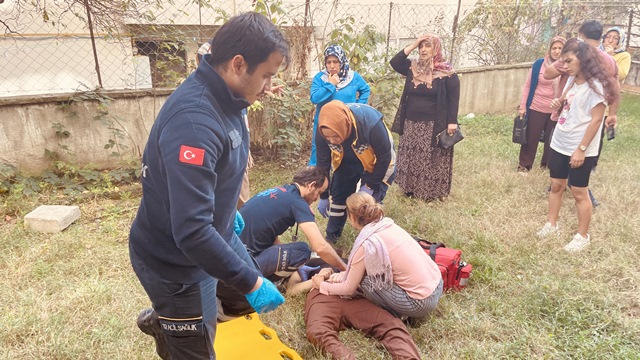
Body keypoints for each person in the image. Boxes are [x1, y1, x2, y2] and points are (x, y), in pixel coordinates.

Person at [129, 12, 290, 359]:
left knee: (207, 322)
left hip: (203, 246)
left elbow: (215, 173)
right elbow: (191, 231)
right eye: (266, 76)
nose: (267, 86)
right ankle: (171, 323)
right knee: (199, 350)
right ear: (237, 64)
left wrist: (225, 210)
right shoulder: (195, 123)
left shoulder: (228, 98)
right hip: (175, 263)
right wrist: (252, 282)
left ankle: (167, 322)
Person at [537, 38, 619, 252]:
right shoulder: (573, 81)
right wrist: (559, 102)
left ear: (583, 60)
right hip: (560, 142)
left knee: (579, 193)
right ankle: (551, 224)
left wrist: (581, 149)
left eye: (569, 61)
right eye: (563, 61)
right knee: (556, 186)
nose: (564, 65)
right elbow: (568, 104)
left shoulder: (597, 87)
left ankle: (583, 236)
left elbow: (596, 121)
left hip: (579, 147)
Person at [312, 192, 443, 323]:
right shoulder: (388, 224)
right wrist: (347, 274)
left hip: (421, 303)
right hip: (437, 284)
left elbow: (348, 289)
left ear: (351, 217)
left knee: (365, 280)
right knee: (365, 273)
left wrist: (322, 285)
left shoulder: (367, 243)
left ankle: (397, 314)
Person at [543, 20, 620, 207]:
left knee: (579, 166)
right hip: (576, 114)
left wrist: (563, 62)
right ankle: (568, 184)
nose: (567, 65)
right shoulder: (608, 59)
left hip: (577, 119)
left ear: (581, 36)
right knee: (579, 162)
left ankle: (578, 189)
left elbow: (548, 73)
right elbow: (615, 88)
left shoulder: (574, 56)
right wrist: (612, 114)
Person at [238, 166, 347, 283]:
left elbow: (270, 232)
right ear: (311, 185)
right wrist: (344, 269)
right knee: (302, 251)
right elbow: (320, 247)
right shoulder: (297, 203)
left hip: (231, 256)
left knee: (289, 252)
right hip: (244, 266)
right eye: (319, 193)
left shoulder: (280, 191)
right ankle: (267, 283)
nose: (317, 199)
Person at [389, 33, 460, 202]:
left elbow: (453, 99)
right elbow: (394, 62)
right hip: (410, 122)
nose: (423, 50)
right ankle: (410, 189)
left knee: (430, 158)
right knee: (411, 156)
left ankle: (431, 192)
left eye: (427, 46)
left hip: (434, 123)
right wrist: (413, 44)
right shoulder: (412, 67)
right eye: (421, 46)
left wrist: (452, 122)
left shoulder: (446, 72)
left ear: (436, 48)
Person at [315, 100, 396, 242]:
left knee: (368, 204)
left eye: (335, 136)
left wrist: (370, 185)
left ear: (344, 125)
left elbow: (385, 158)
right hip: (346, 160)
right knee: (339, 195)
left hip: (377, 161)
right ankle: (332, 236)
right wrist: (323, 195)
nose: (332, 141)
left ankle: (372, 239)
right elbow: (323, 164)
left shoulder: (371, 125)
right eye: (328, 138)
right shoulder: (323, 130)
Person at [308, 44, 371, 166]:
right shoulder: (320, 78)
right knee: (319, 160)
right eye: (328, 62)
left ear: (341, 61)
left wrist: (355, 109)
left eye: (335, 62)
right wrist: (330, 84)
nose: (332, 66)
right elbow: (314, 98)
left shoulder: (352, 77)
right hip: (323, 126)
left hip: (345, 125)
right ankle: (319, 182)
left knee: (345, 159)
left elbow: (365, 90)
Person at [516, 36, 566, 172]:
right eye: (554, 48)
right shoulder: (539, 64)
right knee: (531, 138)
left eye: (560, 48)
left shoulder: (568, 67)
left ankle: (547, 166)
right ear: (549, 50)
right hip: (536, 107)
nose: (556, 51)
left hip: (556, 110)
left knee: (552, 140)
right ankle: (524, 165)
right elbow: (527, 86)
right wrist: (523, 106)